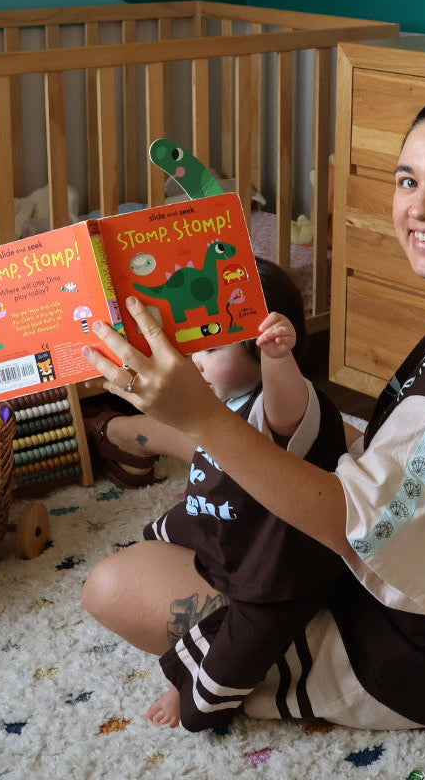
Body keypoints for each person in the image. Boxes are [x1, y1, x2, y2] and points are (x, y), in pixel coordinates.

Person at [81, 74, 425, 731]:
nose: (417, 208)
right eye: (407, 181)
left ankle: (152, 438)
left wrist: (206, 417)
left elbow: (356, 522)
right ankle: (147, 437)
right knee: (220, 505)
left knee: (114, 585)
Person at [83, 258, 348, 730]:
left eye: (210, 348)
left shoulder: (276, 405)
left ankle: (189, 677)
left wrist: (277, 358)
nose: (193, 363)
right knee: (161, 530)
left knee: (213, 685)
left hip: (270, 567)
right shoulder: (220, 397)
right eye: (190, 347)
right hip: (221, 516)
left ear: (258, 346)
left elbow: (288, 404)